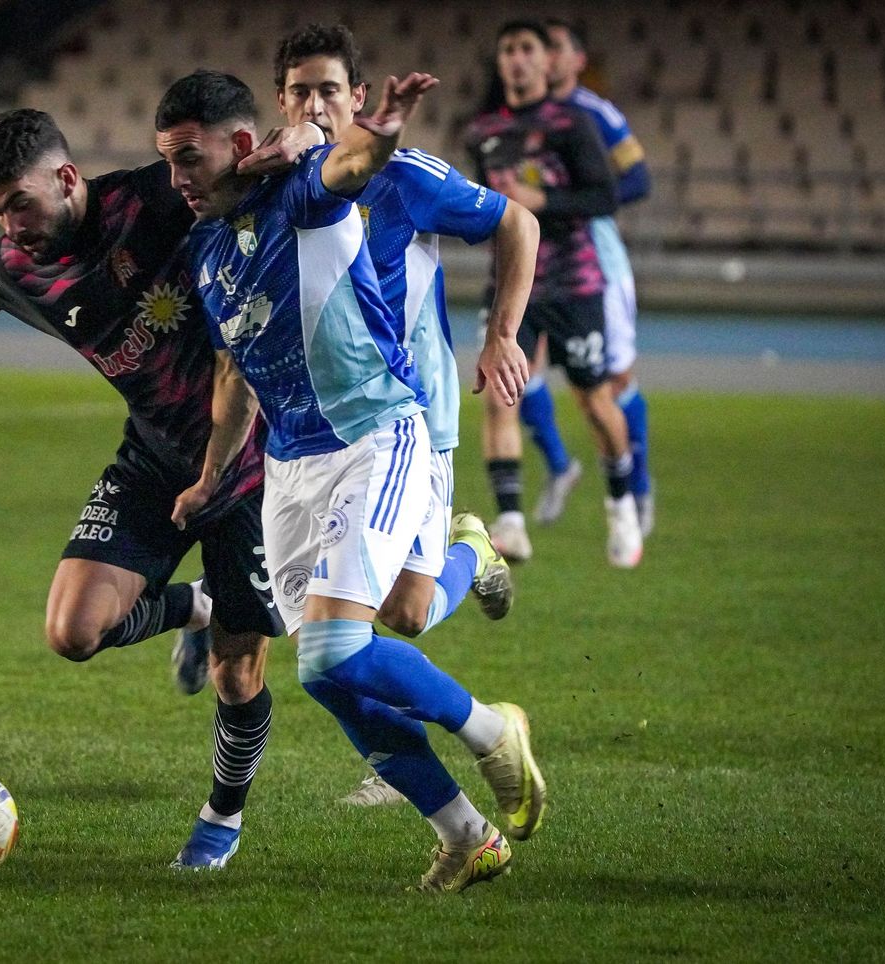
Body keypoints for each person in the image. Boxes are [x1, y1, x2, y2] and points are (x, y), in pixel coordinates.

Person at [0, 109, 320, 870]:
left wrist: (306, 134)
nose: (10, 227)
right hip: (152, 460)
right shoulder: (19, 265)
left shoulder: (154, 199)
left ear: (64, 178)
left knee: (236, 671)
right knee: (72, 631)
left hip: (251, 464)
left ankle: (221, 815)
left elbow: (249, 161)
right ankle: (196, 603)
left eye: (18, 204)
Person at [159, 68, 545, 893]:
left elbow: (351, 167)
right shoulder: (205, 250)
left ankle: (489, 730)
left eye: (188, 159)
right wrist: (210, 477)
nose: (176, 180)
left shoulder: (303, 191)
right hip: (292, 470)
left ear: (235, 146)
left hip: (376, 434)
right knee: (333, 676)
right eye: (166, 162)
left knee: (335, 649)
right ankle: (465, 833)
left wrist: (388, 129)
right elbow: (234, 373)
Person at [266, 22, 539, 809]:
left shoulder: (405, 176)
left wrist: (502, 334)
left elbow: (518, 223)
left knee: (404, 615)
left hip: (410, 417)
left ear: (357, 98)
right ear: (280, 101)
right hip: (322, 431)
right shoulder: (280, 185)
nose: (315, 105)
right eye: (299, 91)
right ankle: (468, 564)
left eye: (329, 90)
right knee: (368, 620)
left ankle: (469, 556)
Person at [464, 19, 641, 568]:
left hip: (575, 285)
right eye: (508, 50)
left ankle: (621, 506)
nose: (517, 59)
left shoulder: (573, 123)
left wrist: (539, 203)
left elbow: (604, 197)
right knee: (499, 395)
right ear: (500, 64)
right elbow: (493, 211)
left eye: (527, 50)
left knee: (593, 399)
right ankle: (511, 522)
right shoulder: (483, 132)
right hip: (513, 288)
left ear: (546, 63)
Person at [512, 17, 656, 537]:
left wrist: (570, 198)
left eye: (553, 48)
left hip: (591, 260)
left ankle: (637, 492)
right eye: (537, 48)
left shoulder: (594, 115)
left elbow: (637, 179)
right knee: (517, 372)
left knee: (608, 383)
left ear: (575, 60)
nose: (542, 58)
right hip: (532, 258)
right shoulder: (518, 117)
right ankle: (559, 465)